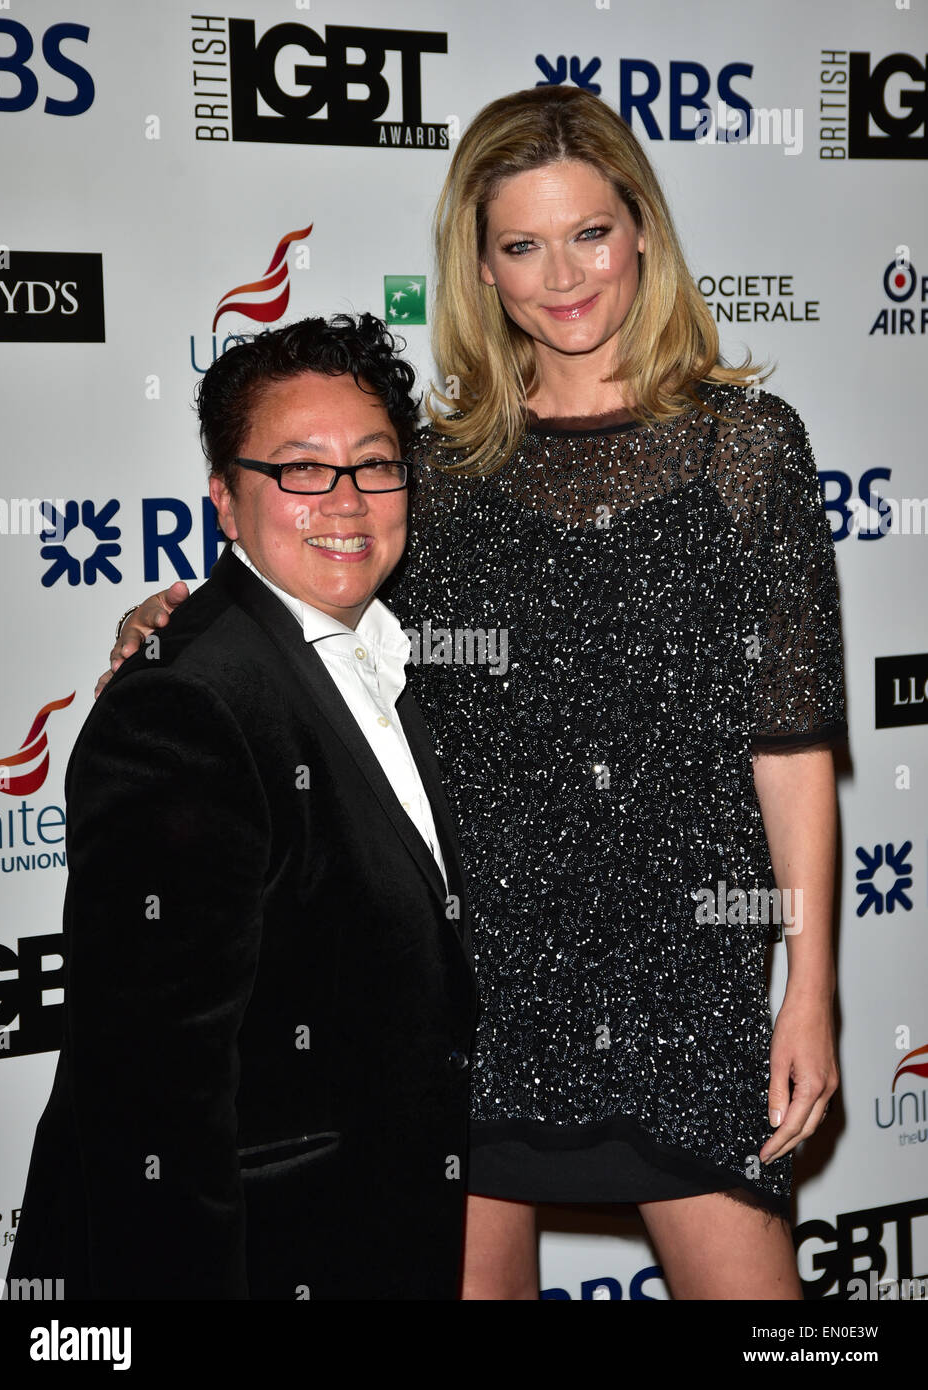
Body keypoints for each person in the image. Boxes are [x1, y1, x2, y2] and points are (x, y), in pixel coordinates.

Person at [100, 86, 846, 1301]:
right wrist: (182, 617)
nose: (564, 275)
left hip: (685, 988)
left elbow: (790, 745)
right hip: (474, 991)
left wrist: (809, 994)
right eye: (522, 244)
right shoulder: (435, 472)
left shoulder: (749, 449)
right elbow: (315, 616)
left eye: (590, 232)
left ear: (643, 232)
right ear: (482, 266)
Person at [9, 313, 476, 1301]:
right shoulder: (187, 707)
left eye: (374, 464)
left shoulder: (392, 657)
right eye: (300, 470)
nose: (345, 500)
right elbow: (149, 1110)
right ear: (225, 501)